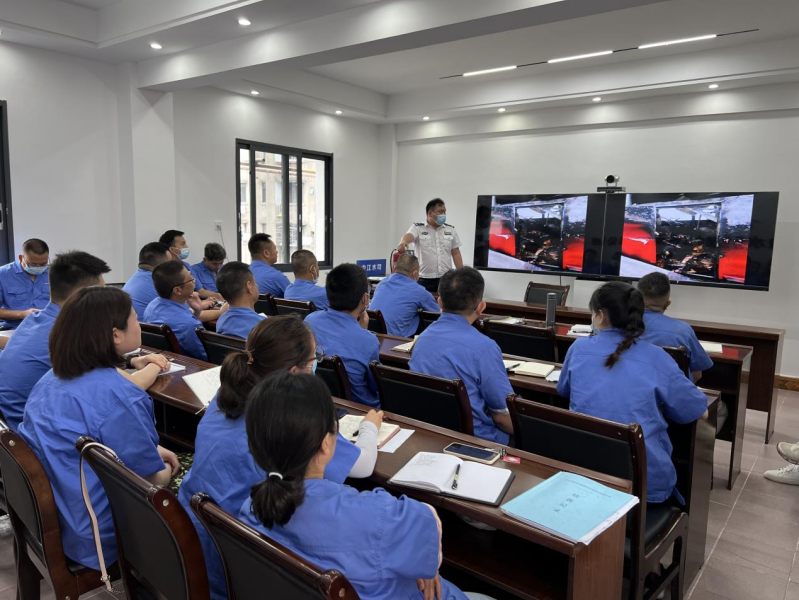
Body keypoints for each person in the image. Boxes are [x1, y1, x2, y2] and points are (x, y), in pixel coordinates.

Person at [178, 316, 383, 600]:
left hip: (194, 548)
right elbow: (363, 465)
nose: (316, 366)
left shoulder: (225, 395)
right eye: (314, 359)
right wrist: (370, 426)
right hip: (240, 569)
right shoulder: (289, 420)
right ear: (295, 371)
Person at [239, 371, 483, 600]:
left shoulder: (251, 507)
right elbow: (428, 523)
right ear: (326, 444)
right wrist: (420, 562)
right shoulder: (376, 516)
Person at [18, 286, 178, 569]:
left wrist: (151, 448)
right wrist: (166, 468)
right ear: (115, 335)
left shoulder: (51, 378)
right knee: (193, 484)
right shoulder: (120, 397)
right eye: (135, 318)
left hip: (57, 518)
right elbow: (149, 483)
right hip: (100, 536)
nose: (139, 324)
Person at [557, 281, 709, 504]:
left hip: (585, 471)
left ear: (600, 315)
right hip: (642, 484)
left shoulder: (579, 348)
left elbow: (563, 390)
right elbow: (699, 412)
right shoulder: (657, 357)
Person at [0, 251, 111, 431]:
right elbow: (119, 389)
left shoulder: (34, 319)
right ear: (83, 295)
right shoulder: (69, 333)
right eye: (102, 291)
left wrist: (130, 361)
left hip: (10, 419)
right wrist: (154, 364)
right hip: (29, 429)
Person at [410, 268, 513, 444]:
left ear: (439, 302)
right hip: (478, 442)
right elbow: (502, 417)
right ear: (481, 307)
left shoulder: (421, 340)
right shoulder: (485, 348)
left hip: (430, 433)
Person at [305, 264, 380, 407]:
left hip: (321, 400)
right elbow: (375, 386)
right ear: (365, 298)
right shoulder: (368, 341)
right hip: (361, 408)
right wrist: (363, 332)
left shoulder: (310, 321)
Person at [637, 272, 712, 382]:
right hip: (669, 392)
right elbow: (697, 375)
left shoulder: (617, 326)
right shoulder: (683, 331)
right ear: (667, 304)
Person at [143, 261, 212, 360]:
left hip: (167, 360)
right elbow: (207, 356)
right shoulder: (189, 324)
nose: (194, 281)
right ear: (177, 290)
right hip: (191, 365)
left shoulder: (152, 306)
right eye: (190, 279)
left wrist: (197, 311)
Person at [397, 199, 463, 294]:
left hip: (446, 278)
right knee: (423, 302)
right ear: (430, 213)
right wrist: (403, 242)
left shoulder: (450, 229)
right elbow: (409, 236)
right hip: (424, 279)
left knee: (445, 302)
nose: (444, 214)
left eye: (445, 212)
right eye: (440, 212)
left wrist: (461, 273)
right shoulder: (418, 228)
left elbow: (456, 252)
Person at [370, 254, 440, 337]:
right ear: (415, 273)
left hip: (371, 335)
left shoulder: (381, 284)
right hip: (397, 340)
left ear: (395, 268)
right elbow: (438, 314)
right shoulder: (419, 291)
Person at [0, 238, 51, 330]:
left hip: (49, 327)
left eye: (43, 264)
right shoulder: (3, 274)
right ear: (21, 258)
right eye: (33, 264)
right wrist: (22, 314)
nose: (38, 267)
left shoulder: (54, 273)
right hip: (15, 328)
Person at [214, 261, 266, 339]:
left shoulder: (222, 320)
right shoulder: (263, 326)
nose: (257, 286)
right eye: (255, 282)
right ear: (249, 286)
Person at [122, 242, 172, 319]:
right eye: (170, 263)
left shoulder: (136, 278)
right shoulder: (160, 285)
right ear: (163, 265)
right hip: (147, 326)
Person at [248, 233, 290, 297]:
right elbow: (294, 299)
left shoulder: (242, 275)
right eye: (274, 248)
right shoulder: (277, 277)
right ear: (266, 253)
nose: (277, 252)